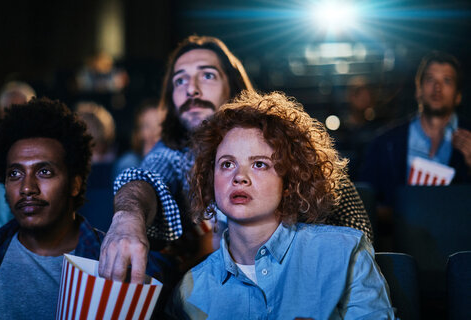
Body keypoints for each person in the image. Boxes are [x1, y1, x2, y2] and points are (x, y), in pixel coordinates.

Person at [99, 35, 373, 284]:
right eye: (179, 80)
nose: (191, 90)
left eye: (206, 76)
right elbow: (145, 177)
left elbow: (352, 238)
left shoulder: (285, 141)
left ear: (234, 86)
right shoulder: (172, 154)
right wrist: (127, 217)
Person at [167, 91, 394, 319]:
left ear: (289, 181)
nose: (239, 177)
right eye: (227, 164)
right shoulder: (190, 291)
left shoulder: (344, 253)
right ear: (210, 178)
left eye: (259, 164)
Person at [0, 98, 101, 319]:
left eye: (44, 172)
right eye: (15, 174)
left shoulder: (109, 262)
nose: (27, 188)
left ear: (75, 184)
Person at [359, 51, 471, 209]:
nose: (437, 87)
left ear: (458, 96)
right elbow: (365, 200)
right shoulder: (385, 143)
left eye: (447, 81)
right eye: (430, 79)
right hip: (398, 233)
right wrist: (395, 217)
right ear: (418, 90)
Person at [112, 98, 163, 180]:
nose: (154, 132)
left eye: (159, 125)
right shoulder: (129, 162)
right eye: (146, 126)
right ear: (138, 132)